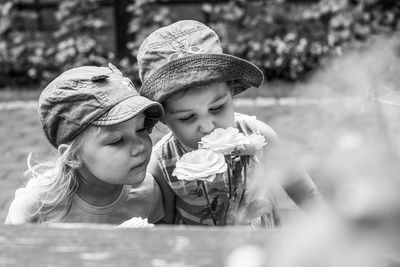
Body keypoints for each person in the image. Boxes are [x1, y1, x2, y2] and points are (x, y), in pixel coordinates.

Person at [137, 20, 323, 226]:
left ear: (232, 93)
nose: (207, 127)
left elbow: (305, 191)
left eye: (217, 108)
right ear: (164, 118)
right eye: (187, 117)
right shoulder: (162, 166)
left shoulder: (259, 137)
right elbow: (167, 229)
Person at [5, 64, 165, 225]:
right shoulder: (35, 207)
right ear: (73, 156)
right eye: (117, 140)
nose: (139, 147)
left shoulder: (149, 193)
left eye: (142, 128)